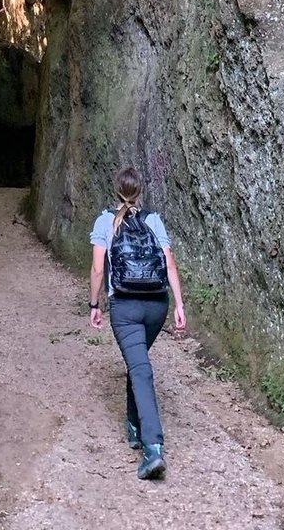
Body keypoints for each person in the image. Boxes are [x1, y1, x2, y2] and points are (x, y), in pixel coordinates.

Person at [88, 167, 187, 480]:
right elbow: (169, 263)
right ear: (139, 192)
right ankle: (134, 426)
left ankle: (153, 448)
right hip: (157, 304)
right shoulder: (153, 220)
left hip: (126, 306)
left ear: (116, 190)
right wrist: (180, 304)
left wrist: (94, 305)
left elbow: (97, 270)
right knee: (139, 362)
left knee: (140, 369)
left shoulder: (105, 221)